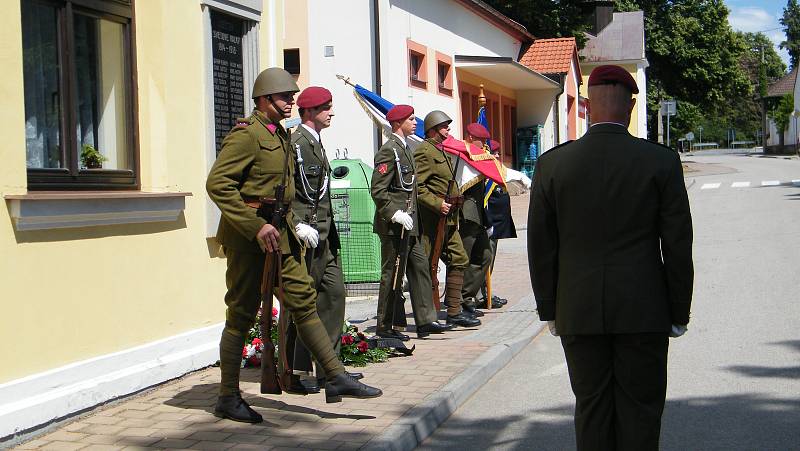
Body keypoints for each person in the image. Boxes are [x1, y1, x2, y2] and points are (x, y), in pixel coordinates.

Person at [528, 65, 693, 450]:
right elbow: (678, 245)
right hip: (644, 309)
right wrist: (678, 311)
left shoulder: (553, 163)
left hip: (578, 308)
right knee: (641, 410)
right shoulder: (661, 161)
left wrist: (550, 308)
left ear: (585, 106)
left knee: (591, 408)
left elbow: (541, 244)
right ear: (631, 106)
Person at [207, 68, 382, 423]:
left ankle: (334, 374)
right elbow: (218, 184)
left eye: (292, 97)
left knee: (303, 299)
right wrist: (255, 226)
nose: (291, 102)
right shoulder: (247, 135)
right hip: (248, 238)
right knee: (240, 313)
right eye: (285, 97)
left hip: (280, 233)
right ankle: (227, 396)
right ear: (264, 99)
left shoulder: (282, 135)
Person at [281, 86, 362, 395]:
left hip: (325, 238)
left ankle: (331, 370)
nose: (331, 112)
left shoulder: (315, 143)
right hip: (306, 238)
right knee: (301, 304)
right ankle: (290, 373)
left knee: (334, 295)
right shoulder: (297, 143)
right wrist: (297, 225)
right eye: (326, 107)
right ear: (311, 111)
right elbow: (287, 190)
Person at [371, 105, 451, 340]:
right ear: (398, 123)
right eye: (411, 119)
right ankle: (386, 326)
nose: (416, 122)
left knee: (419, 268)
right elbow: (378, 189)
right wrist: (394, 213)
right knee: (392, 274)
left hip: (410, 224)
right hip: (394, 224)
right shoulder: (389, 151)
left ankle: (426, 320)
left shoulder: (406, 148)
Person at [414, 110, 481, 327]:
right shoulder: (424, 151)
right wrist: (436, 203)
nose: (448, 130)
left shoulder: (440, 150)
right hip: (432, 221)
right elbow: (419, 186)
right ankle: (425, 316)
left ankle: (454, 311)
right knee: (424, 266)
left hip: (448, 219)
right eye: (444, 127)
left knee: (459, 258)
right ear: (432, 130)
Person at [458, 123, 494, 318]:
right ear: (471, 138)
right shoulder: (464, 155)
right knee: (463, 258)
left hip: (478, 216)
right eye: (482, 141)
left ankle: (467, 295)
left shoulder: (479, 155)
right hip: (467, 215)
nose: (485, 146)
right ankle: (460, 302)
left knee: (485, 255)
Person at [478, 139, 514, 309]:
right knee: (484, 260)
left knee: (490, 261)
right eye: (495, 152)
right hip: (487, 224)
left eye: (499, 152)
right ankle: (480, 296)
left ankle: (486, 293)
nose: (498, 156)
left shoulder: (497, 170)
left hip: (497, 224)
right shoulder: (484, 172)